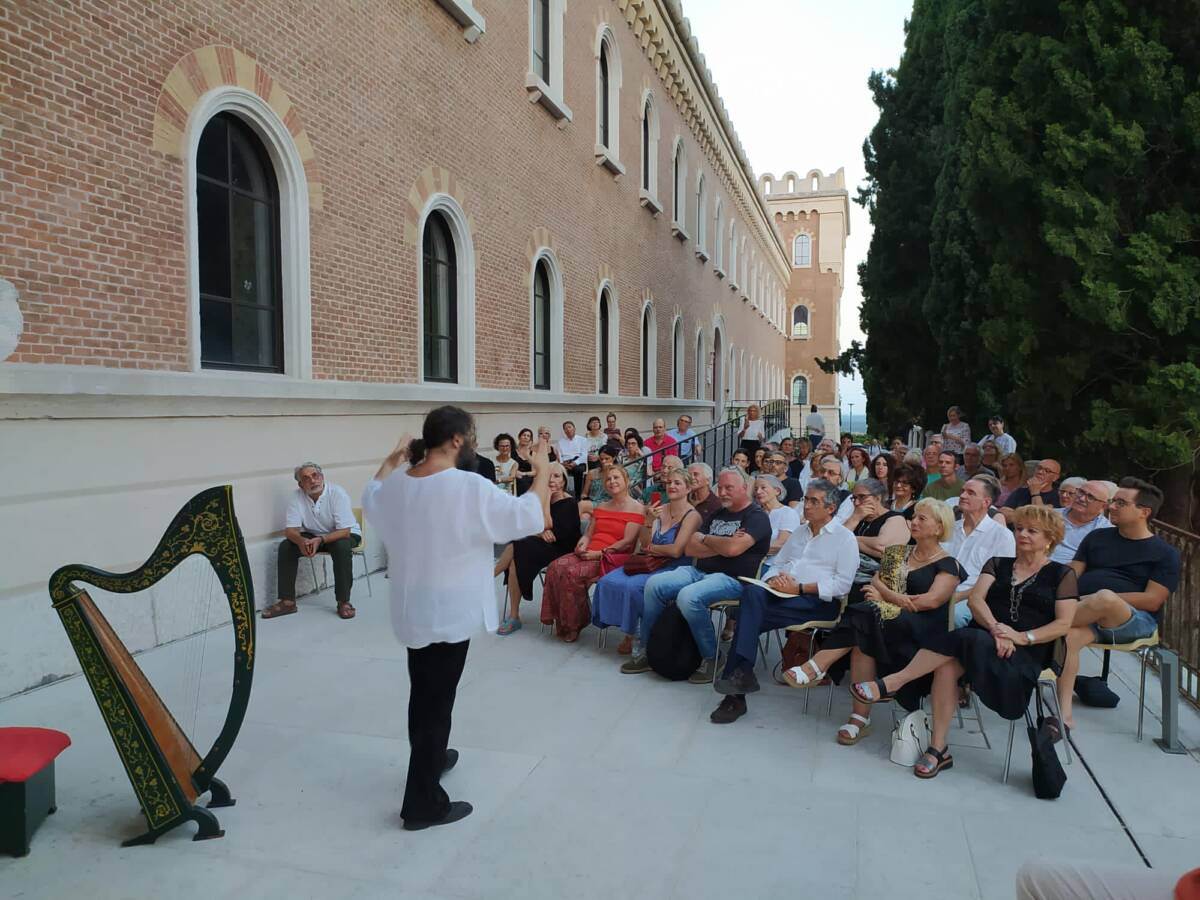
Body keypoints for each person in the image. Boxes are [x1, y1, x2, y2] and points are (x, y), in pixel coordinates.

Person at [363, 405, 550, 830]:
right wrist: (541, 470)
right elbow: (527, 518)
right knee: (436, 703)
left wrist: (390, 461)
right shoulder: (468, 486)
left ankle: (433, 757)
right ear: (457, 440)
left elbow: (369, 499)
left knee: (424, 694)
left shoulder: (396, 485)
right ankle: (422, 804)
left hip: (412, 609)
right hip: (449, 610)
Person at [853, 505, 1079, 779]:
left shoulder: (1062, 575)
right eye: (1019, 528)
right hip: (985, 636)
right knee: (952, 660)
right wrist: (998, 630)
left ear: (1050, 539)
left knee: (960, 642)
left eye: (1032, 531)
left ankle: (892, 682)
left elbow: (1063, 624)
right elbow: (975, 600)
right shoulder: (998, 564)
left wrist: (1020, 637)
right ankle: (938, 749)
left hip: (1026, 652)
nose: (1022, 534)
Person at [785, 498, 965, 746]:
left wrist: (887, 597)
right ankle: (858, 719)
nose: (914, 522)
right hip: (885, 625)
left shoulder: (948, 565)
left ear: (939, 527)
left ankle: (818, 666)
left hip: (924, 636)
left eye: (922, 518)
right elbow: (876, 580)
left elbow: (928, 603)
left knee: (868, 614)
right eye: (913, 517)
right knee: (863, 633)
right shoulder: (897, 552)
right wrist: (892, 597)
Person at [709, 479, 857, 723]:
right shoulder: (801, 531)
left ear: (831, 508)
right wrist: (775, 579)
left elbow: (843, 585)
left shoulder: (844, 538)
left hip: (817, 602)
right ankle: (739, 680)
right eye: (806, 500)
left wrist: (799, 588)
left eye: (813, 501)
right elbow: (777, 564)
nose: (806, 506)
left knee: (747, 615)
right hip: (782, 595)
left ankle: (735, 693)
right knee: (753, 594)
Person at [621, 467, 771, 684]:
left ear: (744, 488)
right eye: (720, 487)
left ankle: (712, 656)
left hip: (732, 579)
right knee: (654, 584)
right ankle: (647, 650)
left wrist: (707, 539)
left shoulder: (756, 517)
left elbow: (732, 551)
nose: (723, 492)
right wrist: (724, 542)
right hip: (698, 570)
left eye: (729, 487)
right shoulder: (719, 513)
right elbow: (691, 548)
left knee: (688, 597)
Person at [1057, 477, 1181, 731]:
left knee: (1105, 597)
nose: (1111, 507)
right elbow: (1071, 576)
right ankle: (1063, 716)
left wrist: (1097, 600)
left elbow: (1153, 600)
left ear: (1144, 512)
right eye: (1112, 501)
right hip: (1085, 615)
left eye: (1120, 503)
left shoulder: (1165, 553)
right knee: (1068, 637)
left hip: (1132, 621)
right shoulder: (1097, 538)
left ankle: (1032, 629)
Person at [591, 467, 702, 655]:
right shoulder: (659, 509)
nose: (672, 486)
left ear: (688, 488)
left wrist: (652, 549)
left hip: (673, 568)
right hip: (649, 563)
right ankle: (625, 628)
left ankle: (634, 635)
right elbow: (644, 543)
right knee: (607, 581)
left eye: (677, 483)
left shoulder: (693, 516)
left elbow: (676, 551)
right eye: (669, 483)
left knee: (633, 587)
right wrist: (649, 520)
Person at [541, 465, 644, 642]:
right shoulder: (602, 506)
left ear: (626, 481)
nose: (612, 482)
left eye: (616, 478)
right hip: (589, 551)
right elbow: (589, 533)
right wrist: (583, 542)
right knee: (555, 567)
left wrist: (599, 553)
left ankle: (575, 624)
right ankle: (562, 621)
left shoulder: (637, 508)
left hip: (611, 557)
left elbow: (627, 542)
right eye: (608, 479)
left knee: (572, 574)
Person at [265, 462, 364, 621]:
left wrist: (320, 540)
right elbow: (290, 531)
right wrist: (301, 541)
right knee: (286, 546)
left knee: (341, 546)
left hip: (344, 534)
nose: (312, 480)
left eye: (315, 475)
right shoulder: (296, 497)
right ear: (300, 484)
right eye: (306, 478)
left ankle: (343, 601)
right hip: (314, 535)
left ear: (322, 477)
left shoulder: (337, 493)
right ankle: (287, 601)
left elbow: (345, 531)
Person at [494, 462, 581, 634]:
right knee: (515, 559)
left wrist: (539, 528)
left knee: (518, 545)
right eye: (548, 476)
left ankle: (489, 576)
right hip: (538, 546)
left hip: (561, 550)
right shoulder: (538, 500)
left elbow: (556, 535)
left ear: (564, 481)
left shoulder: (569, 503)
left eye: (556, 476)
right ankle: (514, 616)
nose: (552, 480)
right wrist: (540, 532)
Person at [946, 475, 1017, 627]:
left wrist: (957, 596)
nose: (963, 495)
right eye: (963, 491)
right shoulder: (950, 529)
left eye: (971, 493)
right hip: (938, 591)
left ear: (986, 502)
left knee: (952, 614)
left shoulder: (1002, 536)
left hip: (971, 598)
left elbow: (1001, 581)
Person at [840, 477, 911, 602]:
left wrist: (850, 540)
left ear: (877, 497)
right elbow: (835, 543)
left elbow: (882, 548)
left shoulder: (894, 518)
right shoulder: (856, 519)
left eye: (862, 497)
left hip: (877, 580)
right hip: (847, 574)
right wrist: (855, 518)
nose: (856, 503)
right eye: (854, 498)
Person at [1049, 479, 1113, 564]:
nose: (1082, 498)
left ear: (1103, 506)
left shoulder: (1106, 531)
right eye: (1081, 492)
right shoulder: (1050, 515)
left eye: (1090, 497)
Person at [753, 473, 801, 564]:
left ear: (777, 491)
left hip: (773, 565)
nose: (758, 492)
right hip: (752, 562)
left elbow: (781, 544)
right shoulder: (754, 514)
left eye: (763, 488)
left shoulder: (788, 513)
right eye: (756, 489)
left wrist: (749, 550)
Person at [557, 420, 590, 498]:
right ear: (564, 431)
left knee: (578, 470)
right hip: (565, 463)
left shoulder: (583, 440)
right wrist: (563, 464)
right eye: (565, 428)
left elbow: (584, 455)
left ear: (574, 429)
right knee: (558, 471)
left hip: (579, 462)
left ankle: (578, 496)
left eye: (569, 427)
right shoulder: (560, 442)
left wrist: (575, 463)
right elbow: (559, 455)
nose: (568, 429)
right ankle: (561, 495)